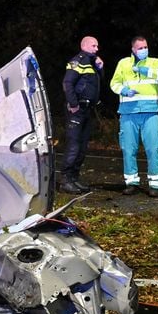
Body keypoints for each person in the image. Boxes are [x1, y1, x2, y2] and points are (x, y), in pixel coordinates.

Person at [110, 36, 158, 197]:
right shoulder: (123, 63)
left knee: (153, 148)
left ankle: (155, 185)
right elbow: (114, 83)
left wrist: (143, 70)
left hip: (150, 112)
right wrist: (124, 90)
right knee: (128, 149)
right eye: (140, 48)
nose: (143, 50)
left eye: (145, 47)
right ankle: (131, 182)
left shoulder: (155, 62)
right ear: (133, 50)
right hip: (128, 112)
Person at [60, 36, 104, 195]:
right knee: (74, 145)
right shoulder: (78, 61)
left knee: (83, 146)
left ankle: (74, 178)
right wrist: (73, 104)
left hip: (88, 109)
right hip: (77, 109)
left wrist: (100, 68)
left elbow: (97, 84)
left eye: (97, 46)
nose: (97, 48)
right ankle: (65, 180)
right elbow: (68, 83)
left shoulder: (92, 63)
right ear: (84, 45)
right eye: (94, 45)